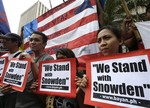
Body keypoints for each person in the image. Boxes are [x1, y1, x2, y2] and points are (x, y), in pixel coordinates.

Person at [15, 31, 54, 108]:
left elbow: (42, 82)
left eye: (36, 40)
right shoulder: (28, 59)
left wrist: (32, 62)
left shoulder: (48, 58)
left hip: (34, 103)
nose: (32, 42)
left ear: (44, 44)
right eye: (31, 40)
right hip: (20, 101)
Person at [0, 33, 23, 108]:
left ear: (16, 42)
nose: (3, 41)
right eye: (3, 39)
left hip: (13, 94)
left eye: (7, 40)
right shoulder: (2, 57)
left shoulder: (23, 57)